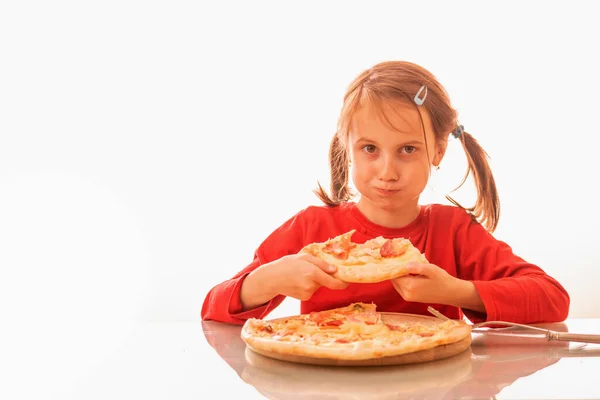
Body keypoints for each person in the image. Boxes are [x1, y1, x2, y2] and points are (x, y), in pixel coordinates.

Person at [201, 60, 570, 326]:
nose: (387, 172)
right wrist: (266, 280)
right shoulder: (312, 229)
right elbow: (213, 307)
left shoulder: (452, 230)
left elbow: (553, 298)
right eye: (370, 149)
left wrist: (454, 291)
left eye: (408, 149)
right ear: (347, 148)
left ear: (438, 151)